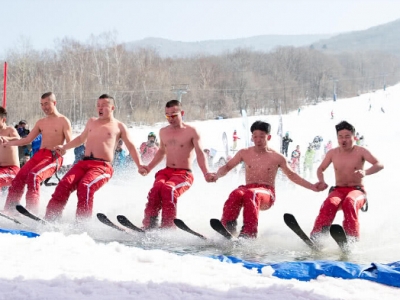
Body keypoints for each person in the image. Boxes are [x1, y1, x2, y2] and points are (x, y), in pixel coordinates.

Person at [213, 121, 324, 238]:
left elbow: (292, 175)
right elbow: (227, 167)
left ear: (269, 137)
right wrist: (215, 176)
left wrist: (312, 186)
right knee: (236, 194)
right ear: (252, 138)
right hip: (248, 190)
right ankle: (227, 228)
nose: (258, 140)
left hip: (266, 193)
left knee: (252, 193)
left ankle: (249, 234)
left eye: (262, 136)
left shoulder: (277, 157)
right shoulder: (244, 153)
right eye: (255, 136)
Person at [45, 94, 143, 222]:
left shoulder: (119, 126)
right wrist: (64, 147)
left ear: (112, 107)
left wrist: (140, 165)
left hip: (102, 167)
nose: (100, 108)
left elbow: (131, 146)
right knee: (64, 184)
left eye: (104, 106)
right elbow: (80, 139)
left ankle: (82, 223)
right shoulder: (92, 122)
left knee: (85, 186)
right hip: (83, 164)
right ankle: (50, 218)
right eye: (98, 105)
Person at [138, 100, 214, 229]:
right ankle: (149, 224)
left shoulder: (191, 131)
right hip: (167, 171)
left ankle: (168, 226)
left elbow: (200, 153)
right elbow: (161, 151)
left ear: (182, 113)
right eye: (167, 115)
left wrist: (206, 173)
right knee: (156, 190)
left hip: (183, 174)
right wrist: (149, 168)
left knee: (169, 189)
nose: (170, 118)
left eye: (174, 115)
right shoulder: (163, 131)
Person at [310, 121, 384, 243]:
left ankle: (352, 240)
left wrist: (366, 172)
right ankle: (317, 237)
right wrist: (321, 181)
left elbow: (379, 164)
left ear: (354, 137)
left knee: (349, 202)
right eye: (340, 137)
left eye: (347, 136)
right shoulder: (332, 153)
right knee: (329, 204)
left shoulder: (361, 151)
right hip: (338, 190)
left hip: (357, 191)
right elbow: (320, 169)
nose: (343, 140)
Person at [2, 92, 72, 214]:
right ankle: (10, 209)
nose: (44, 107)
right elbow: (27, 139)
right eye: (42, 104)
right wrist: (8, 142)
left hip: (53, 156)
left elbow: (71, 142)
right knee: (19, 178)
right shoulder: (41, 122)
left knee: (34, 176)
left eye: (46, 104)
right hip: (40, 155)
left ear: (54, 103)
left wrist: (64, 148)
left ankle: (32, 210)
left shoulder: (63, 121)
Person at [0, 107, 20, 190]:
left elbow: (18, 139)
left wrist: (6, 138)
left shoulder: (10, 130)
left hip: (12, 170)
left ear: (3, 119)